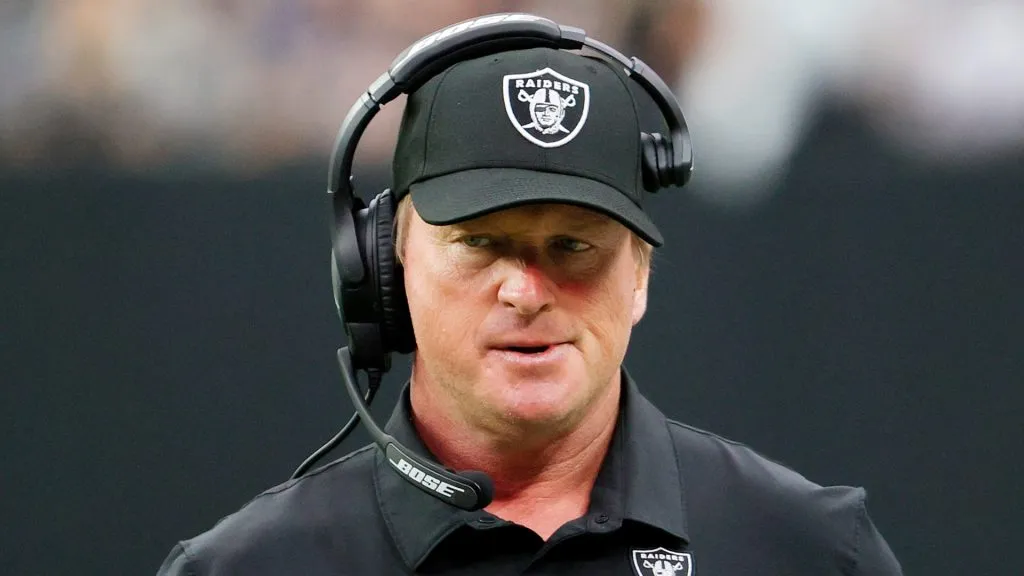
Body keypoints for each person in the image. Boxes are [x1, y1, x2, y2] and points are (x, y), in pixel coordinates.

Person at [156, 23, 904, 576]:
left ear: (640, 274)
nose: (525, 291)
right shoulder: (248, 569)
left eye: (573, 246)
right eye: (480, 242)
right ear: (387, 263)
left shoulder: (811, 553)